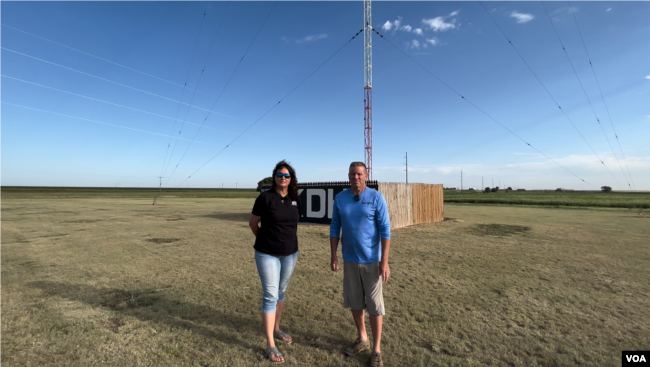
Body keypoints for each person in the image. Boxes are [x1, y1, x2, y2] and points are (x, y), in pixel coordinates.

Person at [330, 162, 391, 367]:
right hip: (350, 260)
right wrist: (334, 255)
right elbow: (334, 228)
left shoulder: (376, 197)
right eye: (352, 174)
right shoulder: (340, 198)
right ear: (348, 176)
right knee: (355, 303)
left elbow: (385, 231)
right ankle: (362, 338)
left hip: (372, 262)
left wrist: (384, 262)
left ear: (366, 175)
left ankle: (376, 350)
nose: (355, 177)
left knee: (374, 306)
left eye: (359, 174)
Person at [249, 160, 300, 363]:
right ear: (274, 177)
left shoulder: (295, 199)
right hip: (267, 253)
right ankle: (270, 344)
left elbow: (293, 225)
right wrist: (265, 240)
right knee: (270, 295)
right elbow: (253, 224)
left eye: (287, 175)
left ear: (291, 179)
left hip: (290, 254)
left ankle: (277, 328)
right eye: (280, 175)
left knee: (281, 292)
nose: (283, 178)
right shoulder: (265, 198)